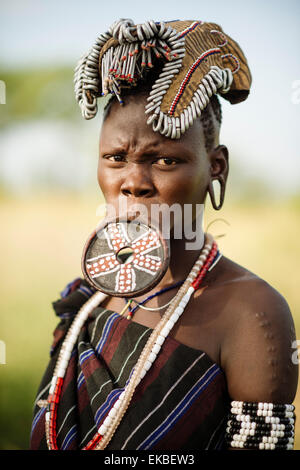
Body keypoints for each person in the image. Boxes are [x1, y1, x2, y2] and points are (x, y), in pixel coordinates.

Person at [30, 19, 298, 451]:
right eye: (116, 158)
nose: (134, 181)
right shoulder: (90, 301)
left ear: (216, 167)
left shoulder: (253, 314)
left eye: (166, 161)